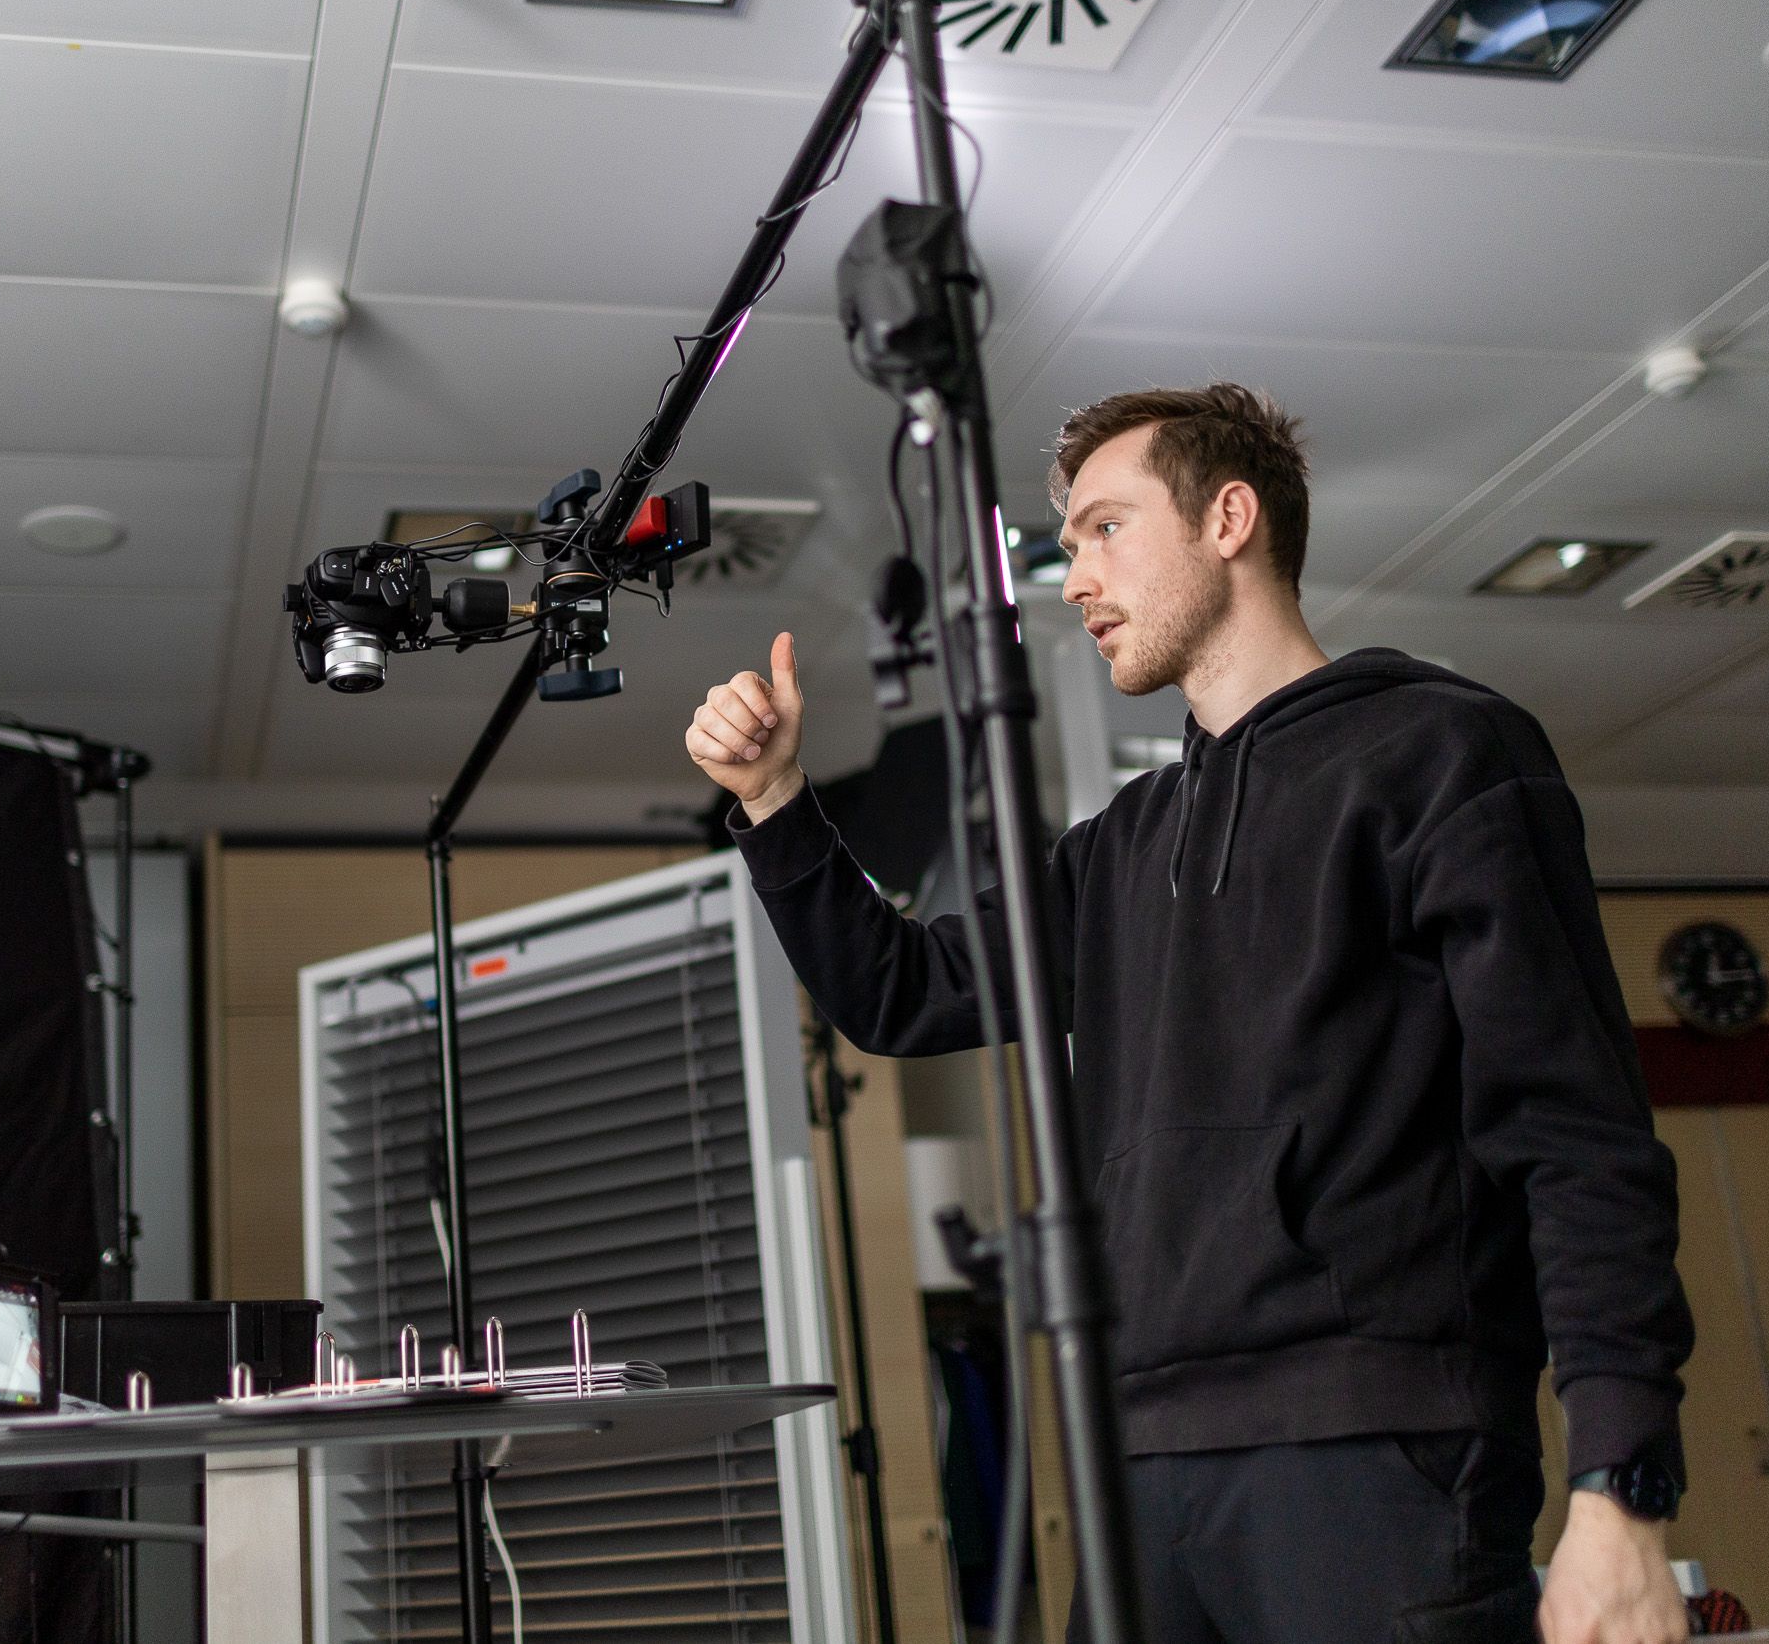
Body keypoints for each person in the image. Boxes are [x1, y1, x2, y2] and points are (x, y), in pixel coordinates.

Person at [684, 383, 1694, 1644]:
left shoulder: (1440, 754)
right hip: (1136, 1464)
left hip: (1370, 1449)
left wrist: (1619, 1481)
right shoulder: (1117, 850)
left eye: (1105, 528)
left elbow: (1577, 1135)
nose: (1075, 578)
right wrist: (777, 803)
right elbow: (897, 991)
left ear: (1228, 516)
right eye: (1070, 543)